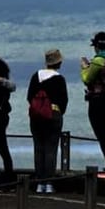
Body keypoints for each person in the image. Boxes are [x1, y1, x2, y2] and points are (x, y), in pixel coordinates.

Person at [26, 48, 68, 194]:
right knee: (51, 148)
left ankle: (39, 182)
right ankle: (49, 183)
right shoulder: (59, 79)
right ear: (58, 62)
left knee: (38, 148)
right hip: (53, 115)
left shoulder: (35, 76)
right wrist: (57, 111)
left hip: (36, 117)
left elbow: (29, 96)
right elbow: (64, 100)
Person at [80, 31, 105, 176]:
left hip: (98, 101)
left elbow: (87, 79)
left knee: (102, 135)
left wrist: (85, 66)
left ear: (96, 46)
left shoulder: (98, 61)